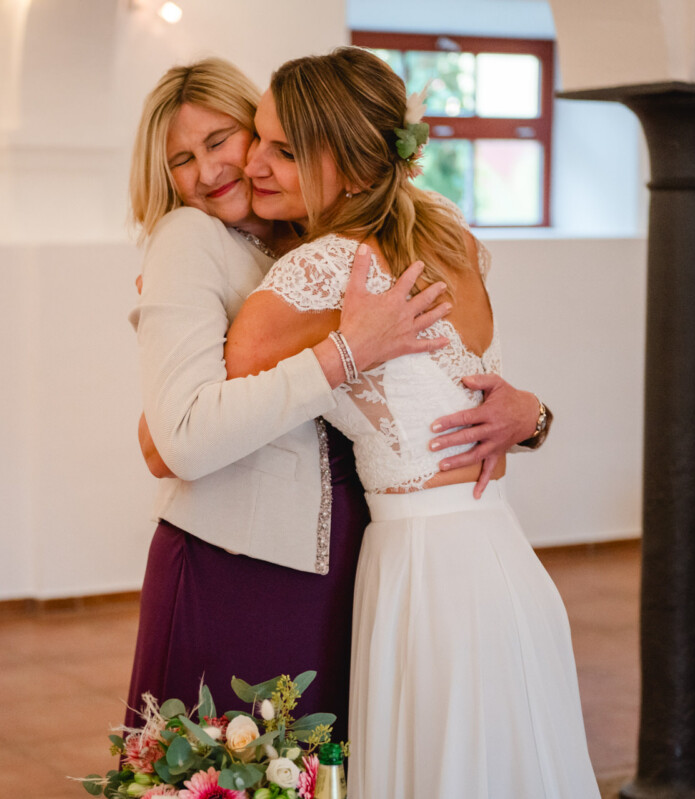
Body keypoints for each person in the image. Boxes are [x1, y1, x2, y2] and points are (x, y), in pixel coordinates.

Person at [125, 58, 549, 741]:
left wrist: (533, 416)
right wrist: (346, 351)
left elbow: (445, 379)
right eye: (181, 158)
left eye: (227, 140)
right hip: (242, 558)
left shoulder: (331, 236)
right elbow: (170, 439)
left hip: (351, 554)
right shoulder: (194, 240)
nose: (216, 170)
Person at [225, 48, 593, 797]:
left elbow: (236, 379)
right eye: (258, 136)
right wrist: (534, 414)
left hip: (428, 574)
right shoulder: (445, 230)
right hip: (499, 554)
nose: (252, 161)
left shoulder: (323, 265)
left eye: (284, 149)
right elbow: (470, 377)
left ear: (356, 172)